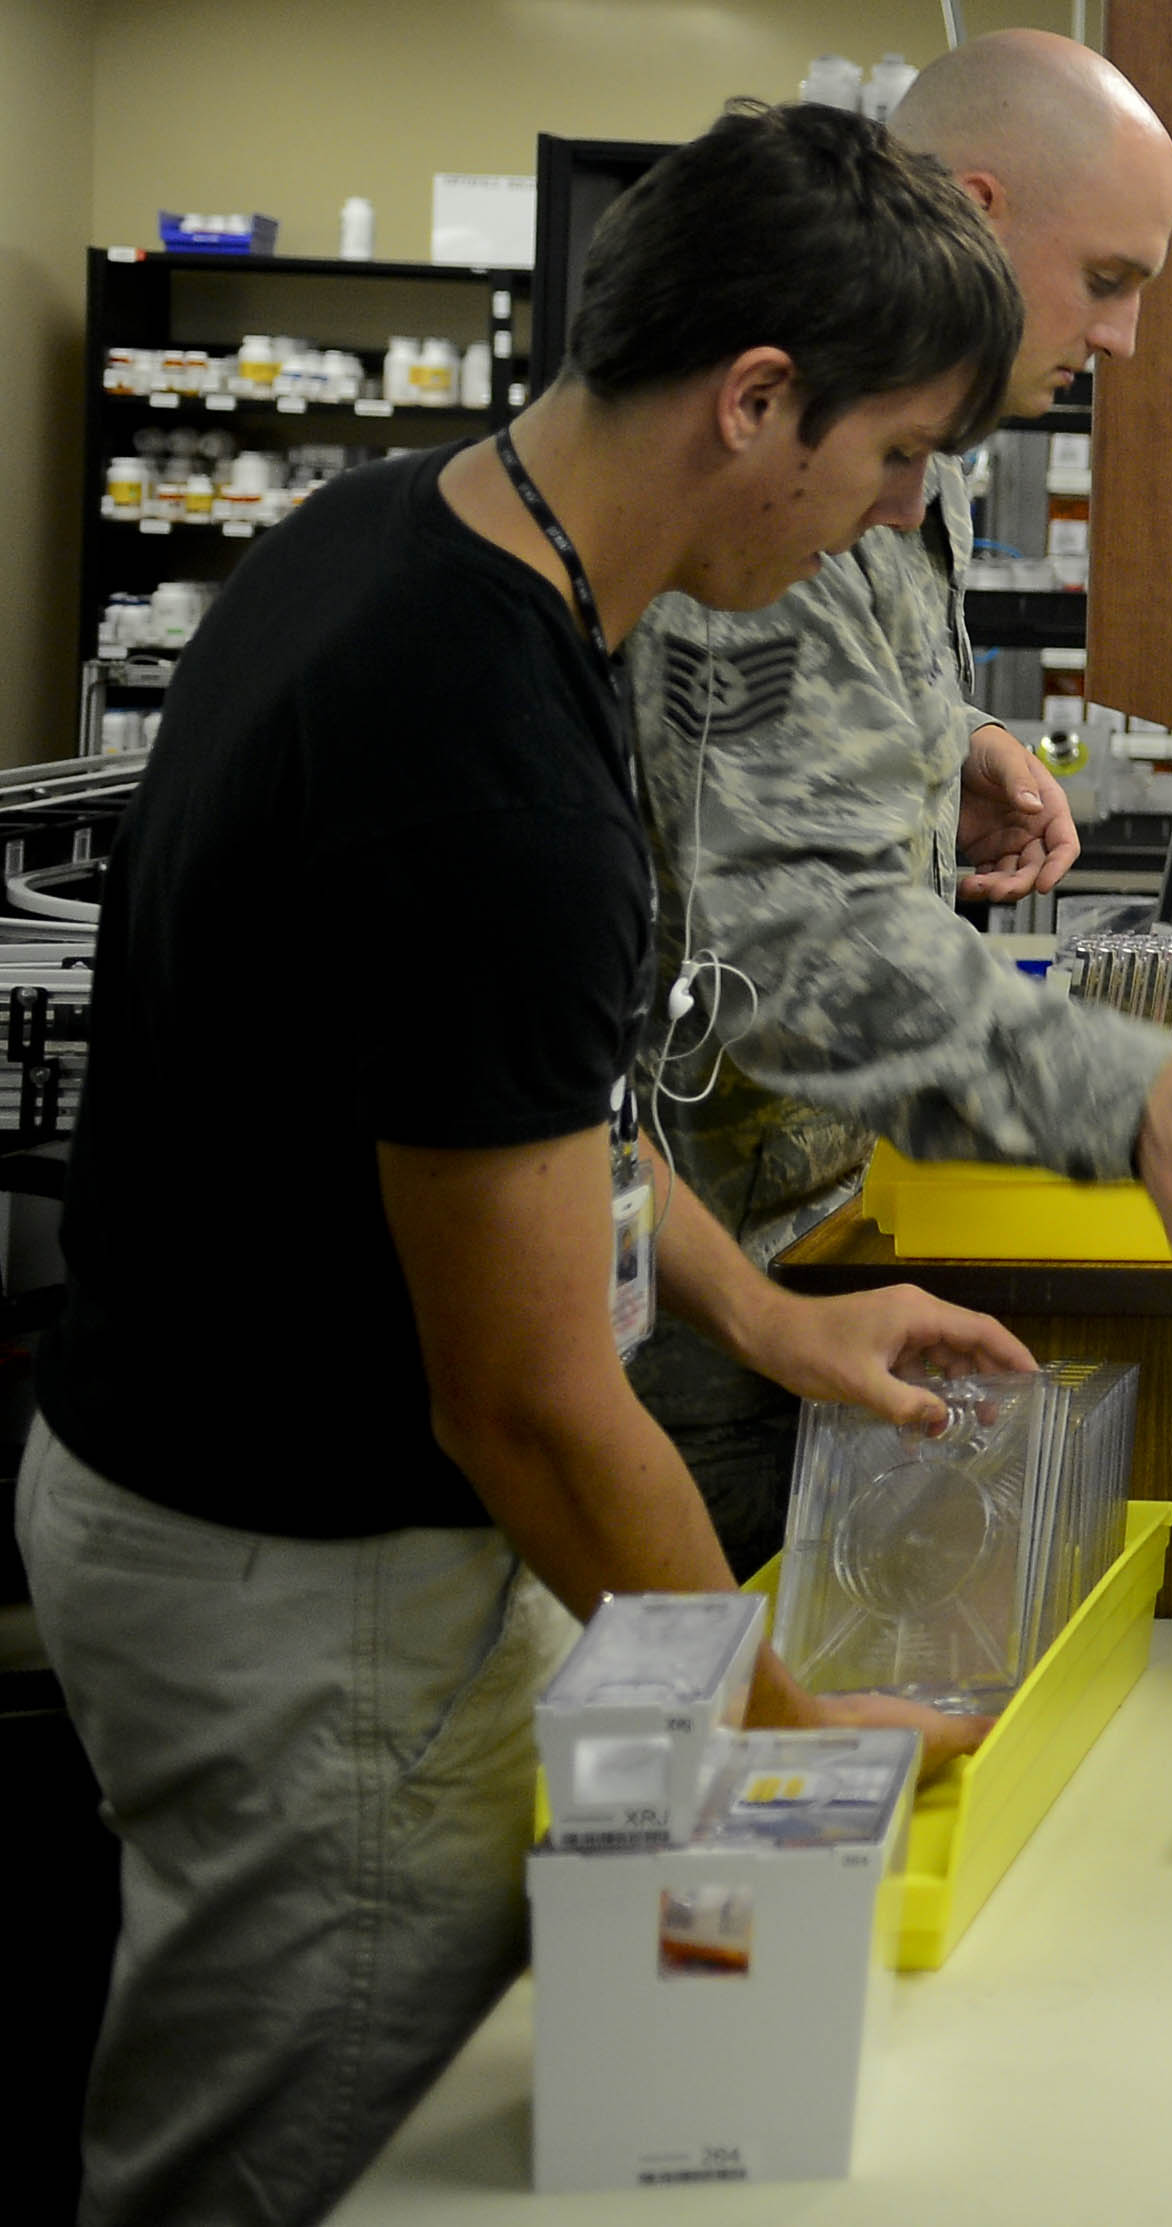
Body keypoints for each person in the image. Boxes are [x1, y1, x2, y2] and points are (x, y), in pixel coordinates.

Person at [20, 103, 1043, 2226]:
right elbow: (531, 1400)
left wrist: (764, 1310)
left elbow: (517, 1107)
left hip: (195, 1496)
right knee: (313, 2155)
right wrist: (778, 1730)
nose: (889, 523)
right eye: (893, 457)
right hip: (312, 1588)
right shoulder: (488, 765)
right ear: (757, 401)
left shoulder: (413, 534)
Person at [621, 29, 1172, 1574]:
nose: (1121, 336)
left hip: (770, 1241)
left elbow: (787, 728)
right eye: (1108, 278)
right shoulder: (778, 465)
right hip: (691, 1292)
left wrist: (951, 739)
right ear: (978, 213)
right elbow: (788, 951)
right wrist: (1114, 1087)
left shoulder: (870, 437)